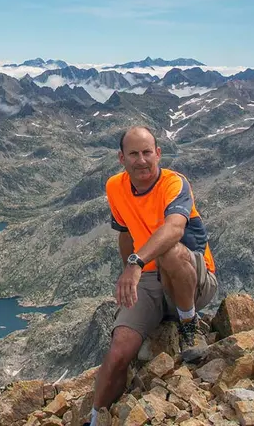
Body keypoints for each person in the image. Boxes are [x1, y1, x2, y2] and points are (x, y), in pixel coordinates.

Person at [87, 126, 218, 425]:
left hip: (193, 277)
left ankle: (189, 325)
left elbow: (175, 228)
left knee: (169, 251)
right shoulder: (115, 187)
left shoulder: (174, 183)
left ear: (158, 154)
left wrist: (135, 263)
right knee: (120, 349)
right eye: (133, 154)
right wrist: (129, 274)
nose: (142, 160)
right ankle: (95, 417)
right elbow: (124, 233)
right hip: (149, 278)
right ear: (121, 158)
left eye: (147, 152)